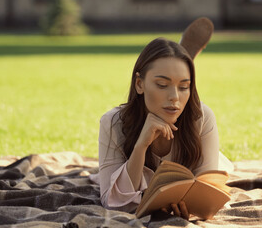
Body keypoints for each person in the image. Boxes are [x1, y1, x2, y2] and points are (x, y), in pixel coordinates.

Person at [93, 18, 233, 219]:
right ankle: (178, 66)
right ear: (139, 84)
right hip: (132, 160)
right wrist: (141, 145)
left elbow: (208, 193)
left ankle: (176, 68)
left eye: (184, 87)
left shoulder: (200, 117)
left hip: (197, 161)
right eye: (162, 84)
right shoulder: (113, 123)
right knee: (104, 174)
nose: (175, 97)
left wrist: (188, 206)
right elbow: (113, 202)